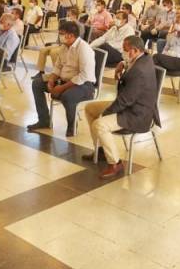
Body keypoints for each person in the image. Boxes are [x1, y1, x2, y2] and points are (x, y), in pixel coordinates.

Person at [82, 36, 159, 179]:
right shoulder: (144, 57)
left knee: (99, 124)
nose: (122, 52)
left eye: (125, 50)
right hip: (131, 106)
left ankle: (115, 163)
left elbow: (125, 100)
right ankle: (102, 151)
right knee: (90, 109)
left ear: (135, 50)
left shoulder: (139, 71)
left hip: (138, 114)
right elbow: (131, 66)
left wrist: (106, 113)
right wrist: (123, 63)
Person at [28, 21, 96, 137]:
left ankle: (71, 126)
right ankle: (44, 120)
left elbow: (84, 75)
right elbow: (58, 66)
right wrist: (51, 79)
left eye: (61, 34)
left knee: (67, 96)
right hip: (64, 80)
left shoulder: (84, 49)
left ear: (71, 35)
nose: (60, 36)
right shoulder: (64, 47)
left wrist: (61, 88)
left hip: (84, 85)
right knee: (37, 83)